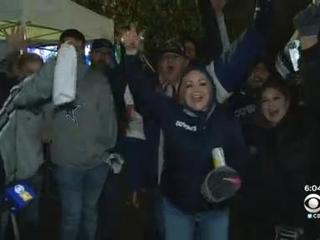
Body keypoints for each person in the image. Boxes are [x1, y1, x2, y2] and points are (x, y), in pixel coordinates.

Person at [122, 25, 248, 240]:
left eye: (202, 84)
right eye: (189, 85)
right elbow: (141, 91)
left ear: (212, 90)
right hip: (176, 209)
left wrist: (227, 185)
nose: (196, 89)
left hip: (215, 212)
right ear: (181, 94)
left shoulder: (226, 122)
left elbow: (241, 164)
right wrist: (132, 54)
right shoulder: (171, 113)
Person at [11, 29, 117, 240]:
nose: (72, 51)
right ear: (59, 49)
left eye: (76, 47)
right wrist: (16, 54)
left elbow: (109, 121)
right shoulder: (48, 82)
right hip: (66, 165)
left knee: (89, 213)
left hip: (96, 164)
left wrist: (104, 151)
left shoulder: (97, 80)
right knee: (71, 215)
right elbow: (23, 94)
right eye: (66, 46)